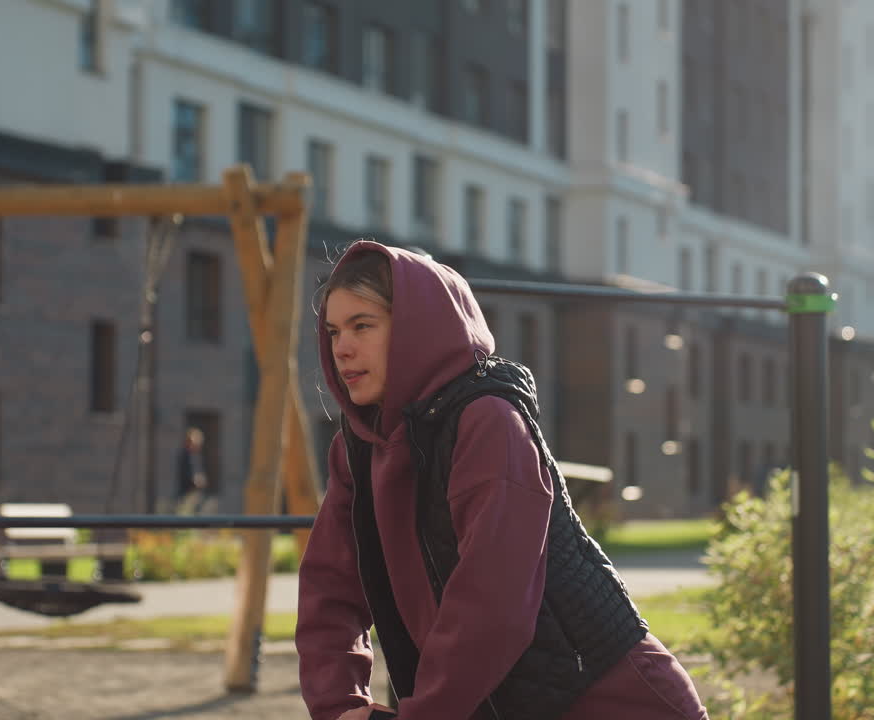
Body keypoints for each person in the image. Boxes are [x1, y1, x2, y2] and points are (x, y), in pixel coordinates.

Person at [296, 240, 708, 720]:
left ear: (416, 328)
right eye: (332, 331)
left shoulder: (488, 422)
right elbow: (330, 587)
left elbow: (492, 607)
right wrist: (339, 706)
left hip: (610, 702)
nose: (341, 348)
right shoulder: (359, 448)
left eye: (362, 326)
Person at [176, 427, 209, 513]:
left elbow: (200, 471)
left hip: (197, 493)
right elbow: (184, 474)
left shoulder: (198, 456)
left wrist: (202, 480)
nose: (197, 446)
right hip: (186, 493)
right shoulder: (185, 455)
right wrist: (194, 480)